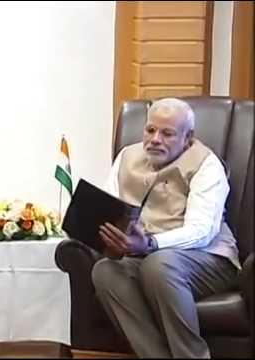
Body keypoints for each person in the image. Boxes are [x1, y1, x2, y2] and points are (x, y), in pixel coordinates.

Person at [91, 98, 240, 358]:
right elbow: (110, 209)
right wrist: (110, 239)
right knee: (105, 271)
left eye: (167, 133)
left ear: (187, 137)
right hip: (144, 256)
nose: (155, 139)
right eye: (150, 130)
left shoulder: (206, 164)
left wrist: (150, 244)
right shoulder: (127, 156)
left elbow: (201, 231)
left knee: (159, 265)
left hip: (209, 258)